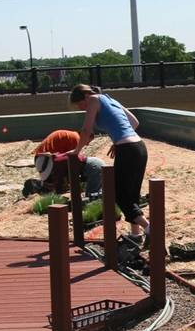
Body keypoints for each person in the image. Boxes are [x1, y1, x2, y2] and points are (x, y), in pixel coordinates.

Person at [69, 84, 148, 246]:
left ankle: (149, 229)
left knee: (118, 194)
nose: (83, 109)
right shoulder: (109, 99)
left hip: (127, 150)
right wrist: (118, 140)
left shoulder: (92, 100)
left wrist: (76, 152)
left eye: (80, 105)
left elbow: (86, 131)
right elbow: (134, 122)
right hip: (139, 147)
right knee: (131, 194)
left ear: (84, 97)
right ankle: (135, 235)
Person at [30, 129, 104, 197]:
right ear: (85, 136)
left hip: (41, 160)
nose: (87, 144)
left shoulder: (71, 136)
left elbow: (68, 162)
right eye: (88, 141)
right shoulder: (76, 139)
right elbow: (72, 162)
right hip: (45, 160)